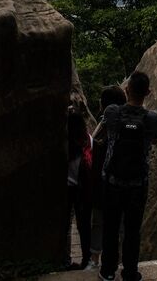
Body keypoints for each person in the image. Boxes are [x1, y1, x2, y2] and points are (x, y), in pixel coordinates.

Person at [98, 72, 157, 281]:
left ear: (126, 90)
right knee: (133, 231)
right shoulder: (152, 118)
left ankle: (107, 271)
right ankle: (130, 272)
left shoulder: (112, 112)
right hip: (137, 184)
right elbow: (154, 142)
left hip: (112, 183)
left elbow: (104, 135)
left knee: (110, 228)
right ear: (148, 92)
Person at [90, 85, 128, 269]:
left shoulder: (104, 126)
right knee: (120, 224)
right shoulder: (128, 125)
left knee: (98, 223)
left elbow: (91, 147)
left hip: (102, 185)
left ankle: (95, 260)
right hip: (123, 184)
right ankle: (120, 261)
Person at [66, 107, 93, 270]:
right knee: (84, 226)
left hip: (68, 187)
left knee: (66, 226)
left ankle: (65, 259)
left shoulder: (65, 141)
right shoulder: (88, 139)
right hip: (84, 187)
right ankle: (86, 259)